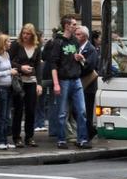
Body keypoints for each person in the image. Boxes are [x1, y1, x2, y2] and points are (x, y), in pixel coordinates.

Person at [51, 15, 91, 149]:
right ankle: (61, 140)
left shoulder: (74, 41)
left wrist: (79, 58)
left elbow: (74, 57)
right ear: (67, 26)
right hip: (63, 80)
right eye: (74, 24)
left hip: (76, 79)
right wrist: (56, 83)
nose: (76, 26)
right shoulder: (58, 42)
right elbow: (53, 64)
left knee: (82, 111)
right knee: (62, 112)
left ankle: (82, 139)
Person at [9, 23, 43, 147]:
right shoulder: (16, 45)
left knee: (31, 110)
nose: (25, 36)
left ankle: (29, 137)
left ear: (32, 35)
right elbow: (8, 61)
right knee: (18, 109)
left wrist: (39, 84)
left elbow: (38, 66)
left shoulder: (36, 47)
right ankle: (16, 137)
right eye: (23, 33)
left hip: (32, 81)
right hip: (19, 81)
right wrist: (21, 67)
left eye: (28, 34)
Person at [0, 33, 17, 150]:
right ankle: (0, 140)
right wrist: (9, 72)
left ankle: (4, 140)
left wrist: (12, 71)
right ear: (2, 43)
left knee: (6, 116)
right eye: (8, 41)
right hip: (0, 88)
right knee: (2, 115)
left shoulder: (6, 54)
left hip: (8, 87)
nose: (10, 43)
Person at [76, 25, 99, 140]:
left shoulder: (91, 49)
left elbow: (90, 66)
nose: (76, 36)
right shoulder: (76, 48)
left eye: (78, 34)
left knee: (87, 111)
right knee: (79, 111)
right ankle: (87, 132)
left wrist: (81, 60)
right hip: (79, 84)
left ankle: (88, 134)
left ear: (85, 36)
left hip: (88, 85)